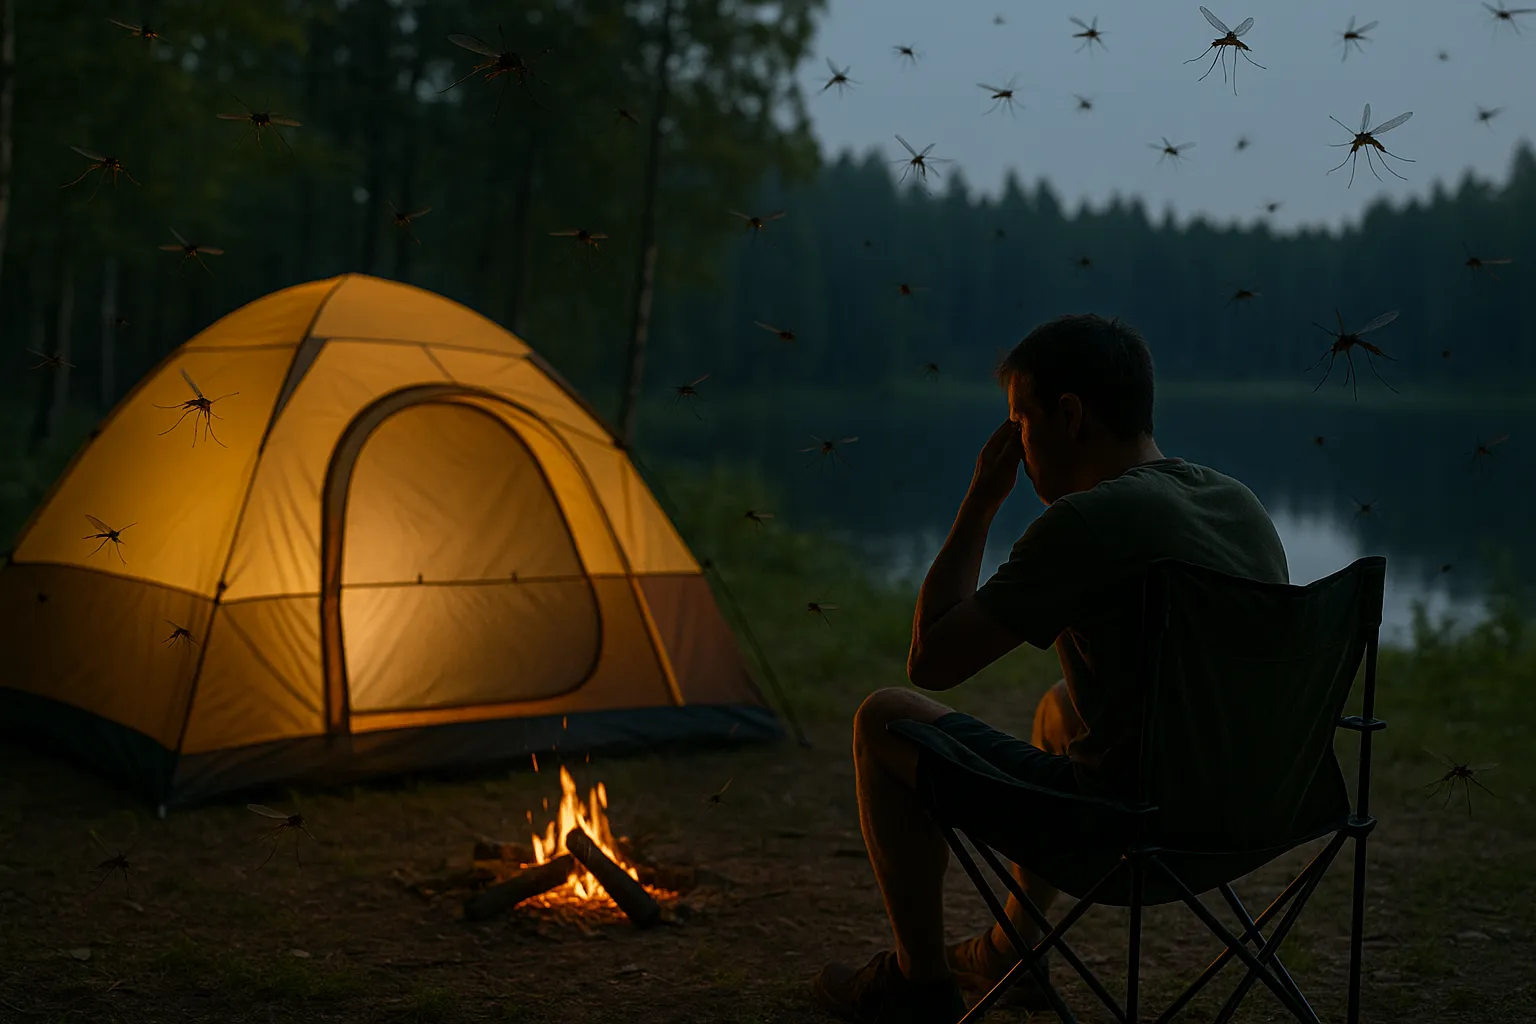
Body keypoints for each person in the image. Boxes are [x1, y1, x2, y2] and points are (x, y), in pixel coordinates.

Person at [812, 314, 1289, 1023]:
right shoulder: (1237, 502)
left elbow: (933, 660)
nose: (1017, 445)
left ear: (1068, 416)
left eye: (1019, 424)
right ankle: (1015, 945)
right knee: (1060, 708)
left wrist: (980, 500)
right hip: (1261, 813)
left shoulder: (1087, 524)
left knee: (883, 717)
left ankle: (919, 981)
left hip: (1133, 828)